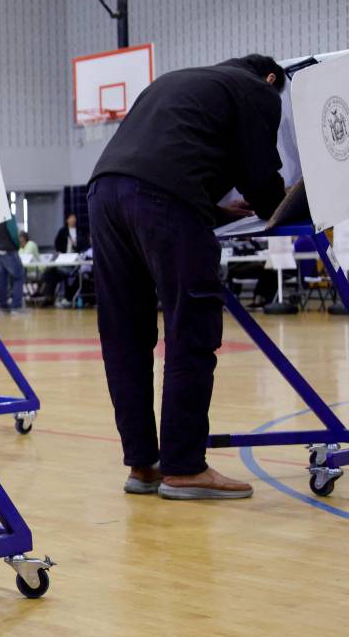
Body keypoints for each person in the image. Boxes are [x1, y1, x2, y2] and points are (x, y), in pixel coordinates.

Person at [89, 54, 288, 501]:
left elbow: (162, 160)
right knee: (191, 326)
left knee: (125, 336)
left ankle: (144, 465)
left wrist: (215, 210)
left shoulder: (181, 81)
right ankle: (184, 467)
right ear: (271, 77)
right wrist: (293, 207)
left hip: (104, 193)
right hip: (162, 197)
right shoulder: (258, 90)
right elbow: (260, 177)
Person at [41, 213, 88, 307]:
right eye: (71, 218)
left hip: (76, 260)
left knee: (59, 272)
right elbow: (57, 243)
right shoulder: (63, 231)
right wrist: (59, 252)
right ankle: (48, 297)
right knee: (50, 272)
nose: (73, 220)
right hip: (64, 258)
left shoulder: (80, 231)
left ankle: (64, 297)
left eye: (74, 218)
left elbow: (84, 245)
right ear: (67, 220)